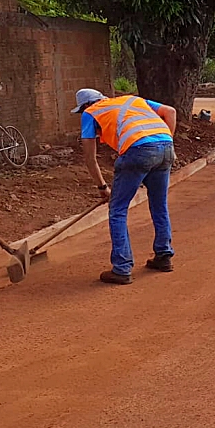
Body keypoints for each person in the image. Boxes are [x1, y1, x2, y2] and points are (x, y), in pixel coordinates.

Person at [73, 88, 178, 285]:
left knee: (118, 210)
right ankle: (164, 256)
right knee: (159, 204)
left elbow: (89, 157)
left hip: (137, 150)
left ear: (86, 105)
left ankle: (121, 268)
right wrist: (166, 144)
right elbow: (170, 111)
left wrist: (102, 188)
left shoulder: (90, 112)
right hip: (165, 147)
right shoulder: (133, 100)